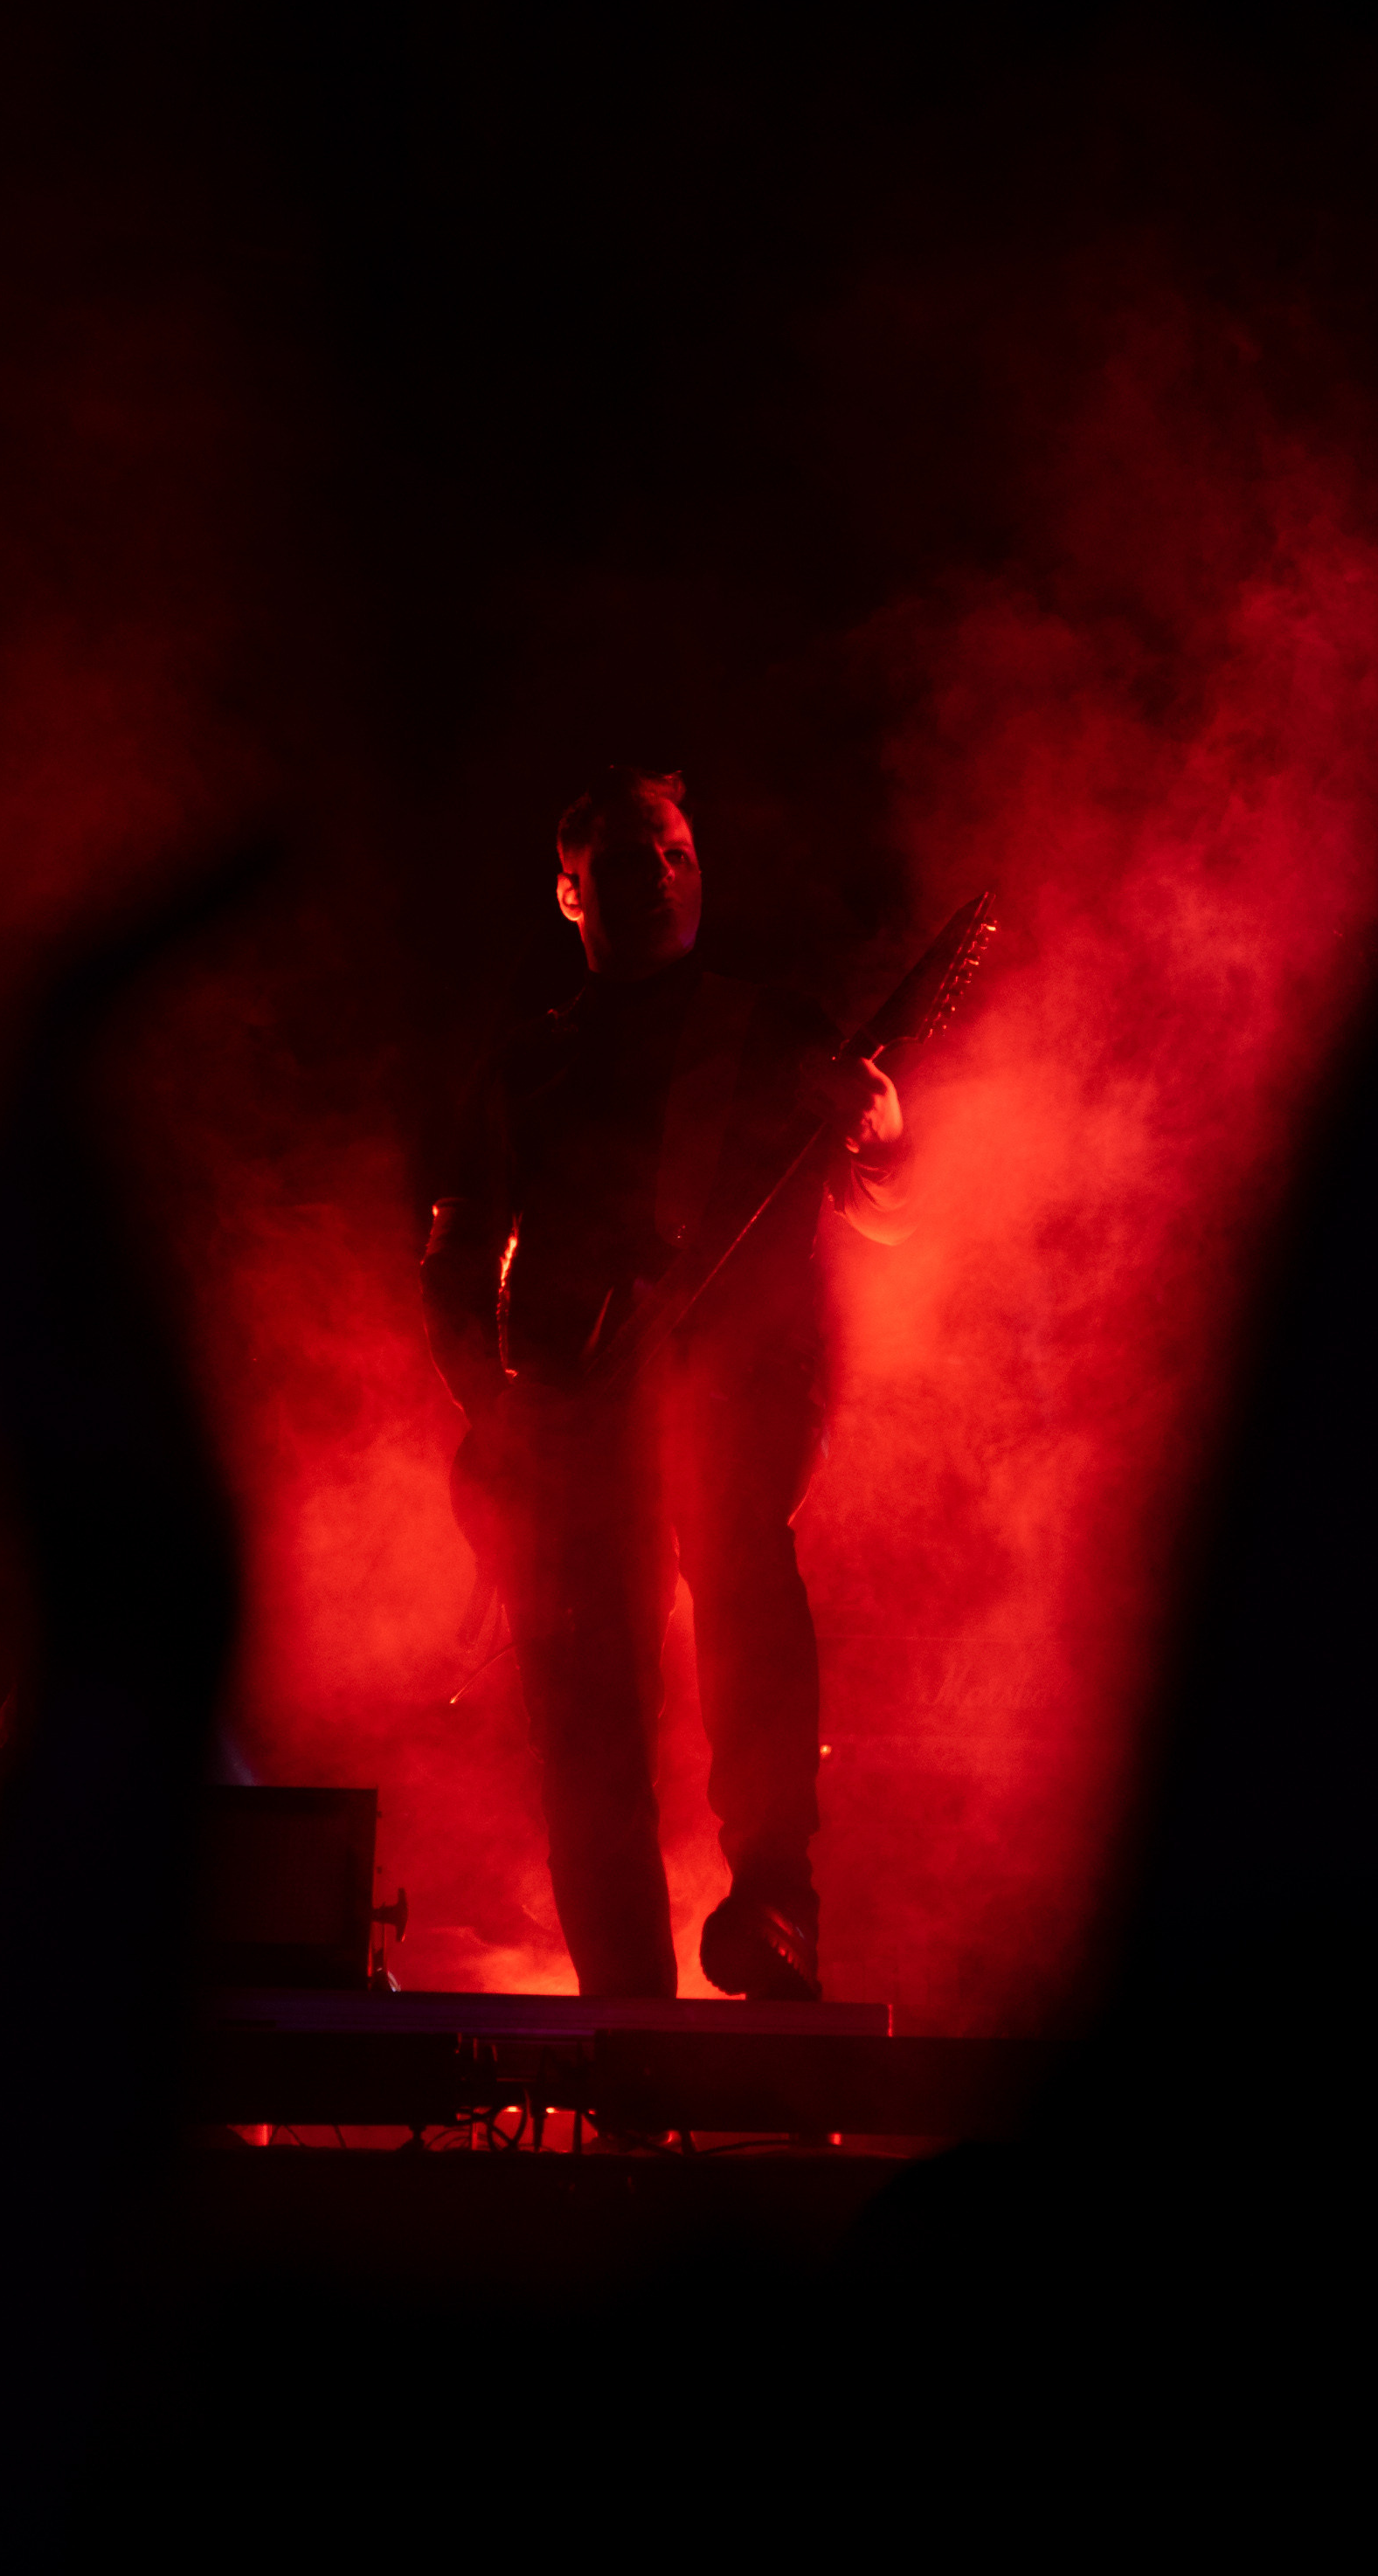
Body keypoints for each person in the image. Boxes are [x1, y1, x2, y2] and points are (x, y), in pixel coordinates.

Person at [421, 767, 911, 1999]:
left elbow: (882, 1212)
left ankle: (775, 1910)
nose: (655, 882)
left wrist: (885, 1135)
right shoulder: (522, 1065)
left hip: (735, 1400)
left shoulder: (774, 1031)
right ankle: (626, 2025)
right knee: (587, 1729)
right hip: (571, 1425)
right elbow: (456, 1250)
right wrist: (494, 1400)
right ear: (568, 894)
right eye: (625, 865)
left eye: (675, 856)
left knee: (742, 1580)